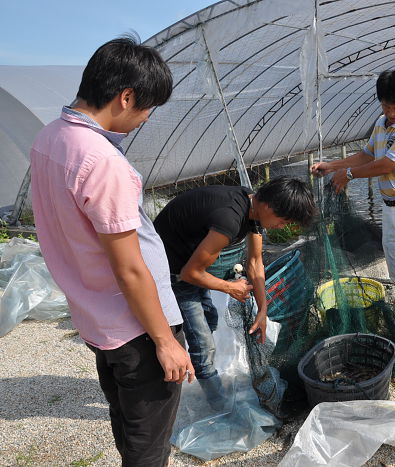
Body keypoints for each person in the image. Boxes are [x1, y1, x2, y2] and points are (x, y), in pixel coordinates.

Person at [30, 36, 194, 467]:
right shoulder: (102, 162)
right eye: (146, 109)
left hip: (96, 318)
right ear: (126, 97)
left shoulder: (50, 138)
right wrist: (165, 341)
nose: (143, 119)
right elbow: (130, 270)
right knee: (148, 442)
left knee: (126, 418)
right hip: (136, 326)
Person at [311, 69, 395, 377]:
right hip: (393, 210)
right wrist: (334, 165)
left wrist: (349, 175)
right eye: (385, 105)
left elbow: (387, 164)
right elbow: (367, 154)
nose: (391, 112)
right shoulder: (382, 124)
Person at [153, 176, 316, 410]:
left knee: (209, 320)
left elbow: (255, 263)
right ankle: (220, 406)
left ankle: (200, 365)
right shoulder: (229, 218)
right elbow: (190, 274)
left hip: (190, 263)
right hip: (173, 272)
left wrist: (262, 310)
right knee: (203, 344)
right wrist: (230, 287)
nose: (281, 227)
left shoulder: (253, 205)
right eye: (283, 221)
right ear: (269, 206)